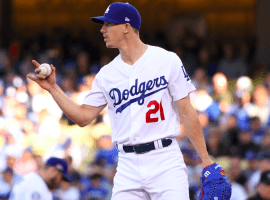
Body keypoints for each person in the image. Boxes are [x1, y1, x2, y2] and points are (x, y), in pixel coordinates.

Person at [27, 2, 216, 199]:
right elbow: (83, 117)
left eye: (108, 24)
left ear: (126, 27)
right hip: (128, 164)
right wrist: (53, 88)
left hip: (165, 160)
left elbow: (187, 112)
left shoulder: (167, 60)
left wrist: (205, 159)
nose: (102, 29)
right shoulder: (106, 74)